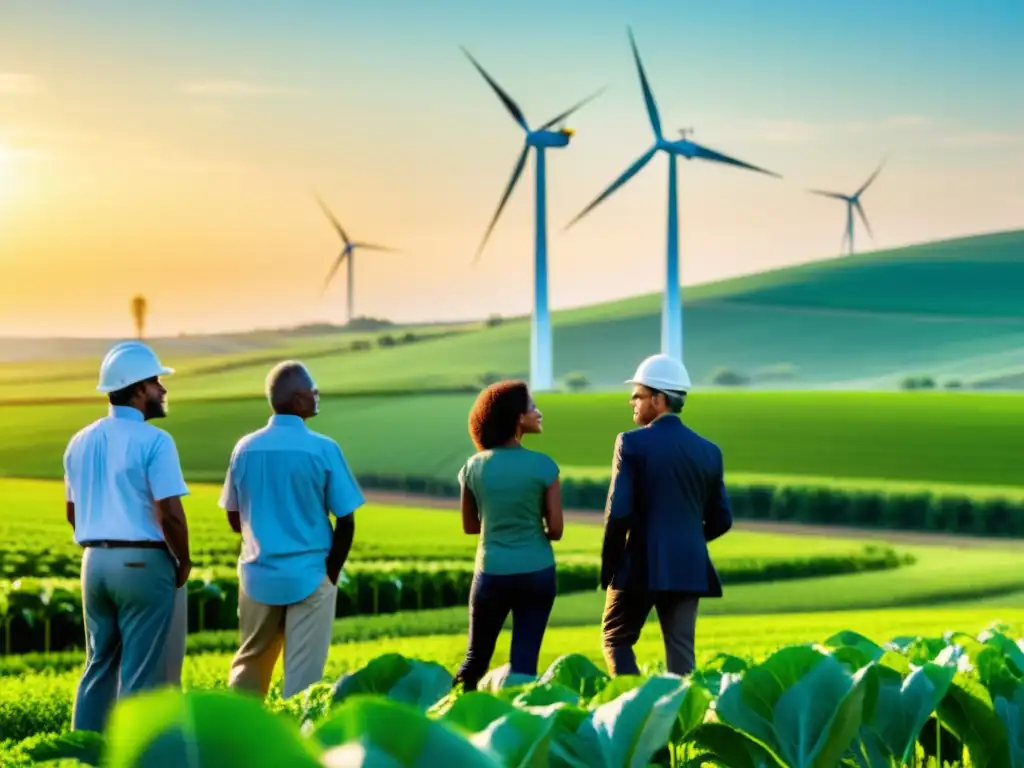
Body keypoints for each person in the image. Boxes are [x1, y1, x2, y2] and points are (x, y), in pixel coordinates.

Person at [64, 340, 192, 733]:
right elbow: (169, 513)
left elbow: (72, 511)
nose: (162, 390)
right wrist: (183, 560)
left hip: (94, 563)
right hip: (142, 562)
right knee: (141, 672)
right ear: (138, 389)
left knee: (98, 665)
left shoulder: (79, 441)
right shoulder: (155, 442)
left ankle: (82, 755)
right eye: (156, 382)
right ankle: (134, 757)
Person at [219, 360, 362, 700]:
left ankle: (236, 738)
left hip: (257, 575)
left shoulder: (245, 447)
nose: (317, 396)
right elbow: (347, 520)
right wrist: (331, 572)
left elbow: (232, 515)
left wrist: (261, 541)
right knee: (303, 682)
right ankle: (297, 744)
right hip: (311, 575)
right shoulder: (324, 448)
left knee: (249, 669)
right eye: (313, 391)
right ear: (298, 399)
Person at [600, 353, 733, 678]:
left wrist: (610, 567)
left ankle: (632, 709)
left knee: (616, 638)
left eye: (639, 394)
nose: (632, 400)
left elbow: (618, 513)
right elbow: (722, 519)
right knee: (681, 654)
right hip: (689, 563)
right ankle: (683, 721)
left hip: (639, 562)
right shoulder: (709, 450)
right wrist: (686, 538)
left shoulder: (631, 443)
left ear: (659, 400)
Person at [452, 380, 564, 691]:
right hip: (538, 572)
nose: (538, 413)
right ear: (518, 418)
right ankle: (517, 730)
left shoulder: (473, 467)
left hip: (492, 572)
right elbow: (556, 530)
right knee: (524, 665)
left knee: (475, 658)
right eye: (533, 408)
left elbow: (471, 526)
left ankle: (453, 716)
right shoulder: (544, 467)